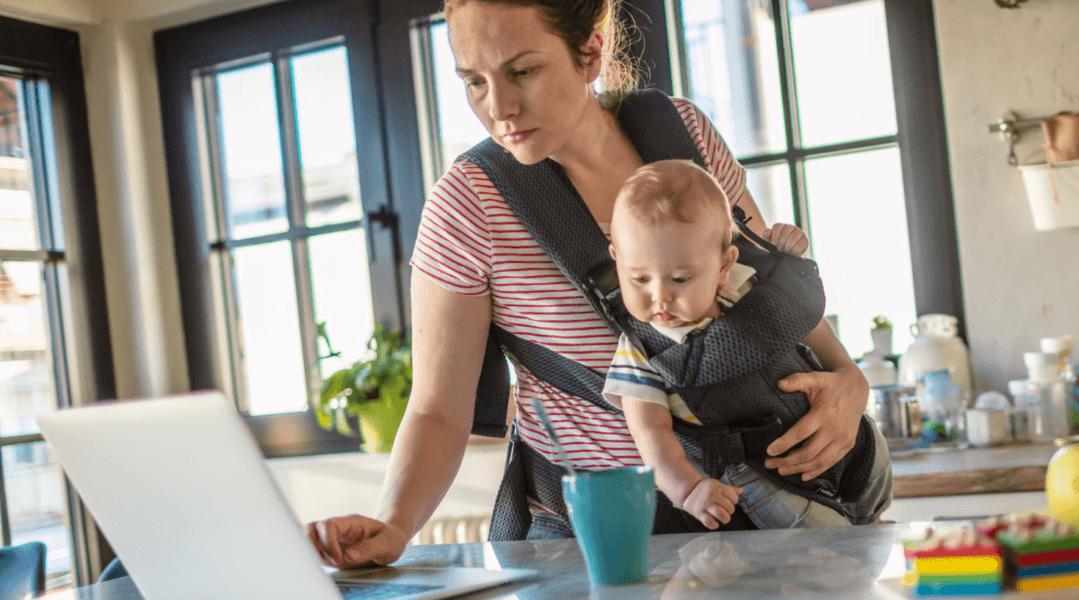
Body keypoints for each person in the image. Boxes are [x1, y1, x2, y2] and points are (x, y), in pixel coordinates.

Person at [306, 0, 873, 568]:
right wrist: (394, 523)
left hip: (768, 520)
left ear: (590, 52)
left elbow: (759, 283)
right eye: (473, 81)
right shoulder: (470, 204)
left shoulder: (684, 134)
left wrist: (849, 379)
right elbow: (438, 410)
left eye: (522, 71)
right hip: (602, 544)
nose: (498, 107)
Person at [603, 159, 892, 530]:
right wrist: (688, 491)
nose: (660, 297)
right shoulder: (642, 351)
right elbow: (650, 434)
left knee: (875, 496)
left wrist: (787, 253)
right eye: (639, 278)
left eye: (679, 278)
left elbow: (802, 313)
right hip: (762, 471)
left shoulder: (745, 287)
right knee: (827, 548)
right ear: (617, 261)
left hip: (841, 434)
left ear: (724, 266)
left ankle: (874, 522)